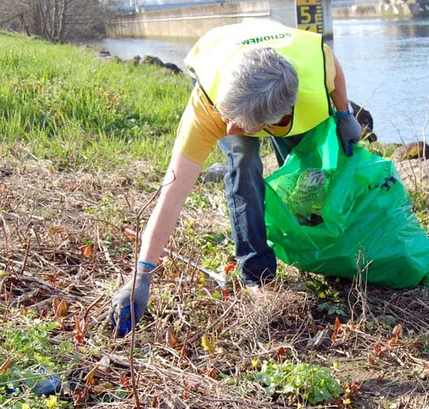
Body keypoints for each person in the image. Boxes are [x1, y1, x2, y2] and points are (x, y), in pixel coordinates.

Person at [109, 19, 362, 336]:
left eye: (239, 123)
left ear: (273, 121)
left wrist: (343, 114)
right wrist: (142, 274)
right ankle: (258, 274)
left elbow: (332, 66)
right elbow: (172, 192)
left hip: (286, 80)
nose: (229, 129)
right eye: (229, 119)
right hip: (235, 66)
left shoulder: (313, 74)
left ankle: (310, 245)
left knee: (310, 171)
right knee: (243, 163)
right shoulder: (210, 105)